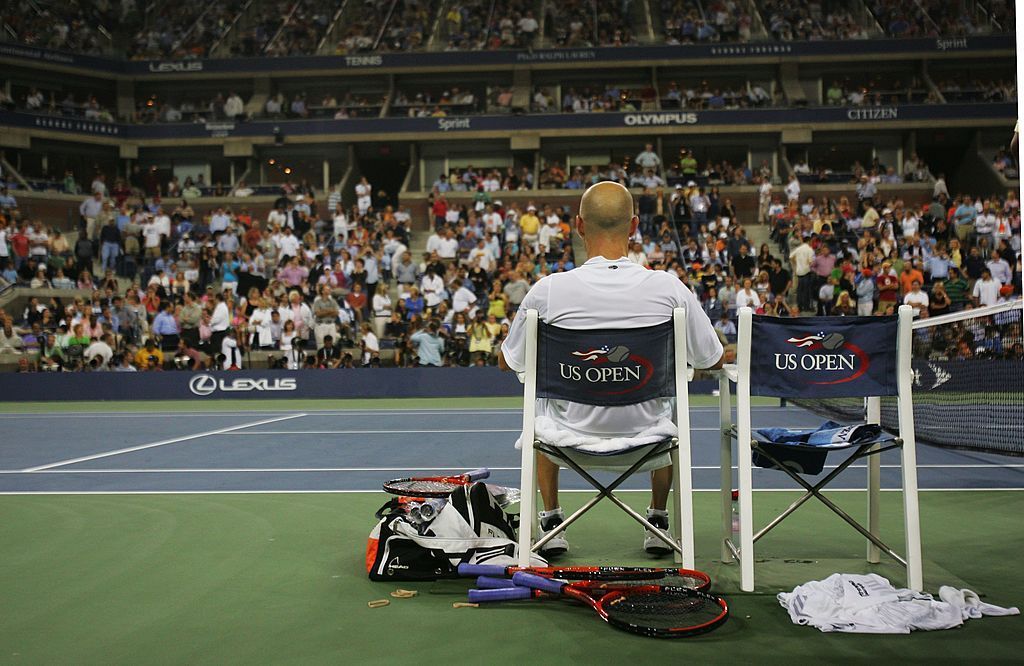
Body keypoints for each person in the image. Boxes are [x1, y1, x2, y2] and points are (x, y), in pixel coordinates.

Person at [500, 182, 730, 558]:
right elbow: (711, 359)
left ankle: (551, 522)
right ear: (635, 226)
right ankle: (658, 520)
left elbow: (512, 361)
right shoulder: (669, 289)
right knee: (665, 402)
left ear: (578, 225)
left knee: (542, 404)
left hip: (567, 439)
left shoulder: (547, 291)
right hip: (649, 439)